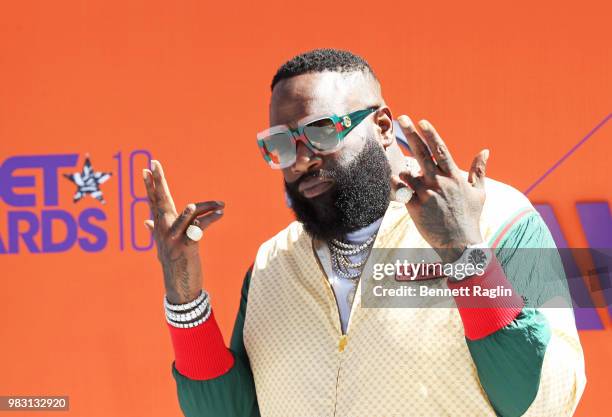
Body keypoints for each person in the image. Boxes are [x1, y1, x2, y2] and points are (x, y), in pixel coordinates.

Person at [143, 49, 586, 417]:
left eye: (320, 133)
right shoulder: (272, 265)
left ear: (382, 126)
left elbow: (546, 401)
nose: (299, 161)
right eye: (280, 144)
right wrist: (183, 294)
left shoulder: (501, 218)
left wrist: (465, 256)